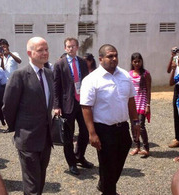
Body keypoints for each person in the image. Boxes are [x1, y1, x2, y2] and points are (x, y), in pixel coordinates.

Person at [80, 44, 140, 194]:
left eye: (116, 55)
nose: (114, 59)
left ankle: (104, 184)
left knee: (118, 164)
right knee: (107, 165)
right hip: (104, 130)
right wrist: (92, 133)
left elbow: (131, 100)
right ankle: (109, 191)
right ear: (100, 59)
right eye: (110, 56)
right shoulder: (91, 79)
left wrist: (136, 122)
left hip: (123, 128)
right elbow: (86, 107)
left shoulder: (125, 75)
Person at [2, 37, 53, 195]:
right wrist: (18, 128)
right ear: (30, 53)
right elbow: (8, 107)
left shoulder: (49, 74)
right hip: (27, 137)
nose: (45, 53)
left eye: (46, 49)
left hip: (45, 137)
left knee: (40, 179)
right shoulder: (20, 75)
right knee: (32, 184)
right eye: (40, 50)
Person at [53, 37, 93, 176]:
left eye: (73, 46)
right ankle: (72, 163)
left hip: (82, 103)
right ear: (65, 48)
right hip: (67, 104)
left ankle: (79, 156)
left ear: (77, 47)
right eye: (68, 46)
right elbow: (56, 86)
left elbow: (87, 82)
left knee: (85, 132)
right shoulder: (59, 64)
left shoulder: (82, 62)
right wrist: (56, 105)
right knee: (68, 136)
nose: (71, 48)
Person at [128, 52, 152, 158]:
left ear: (142, 61)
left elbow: (148, 90)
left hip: (142, 102)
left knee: (141, 126)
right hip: (132, 103)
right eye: (135, 61)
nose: (137, 63)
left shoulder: (146, 74)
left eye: (139, 61)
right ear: (132, 62)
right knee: (133, 125)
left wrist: (148, 105)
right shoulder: (129, 74)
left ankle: (146, 148)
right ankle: (137, 146)